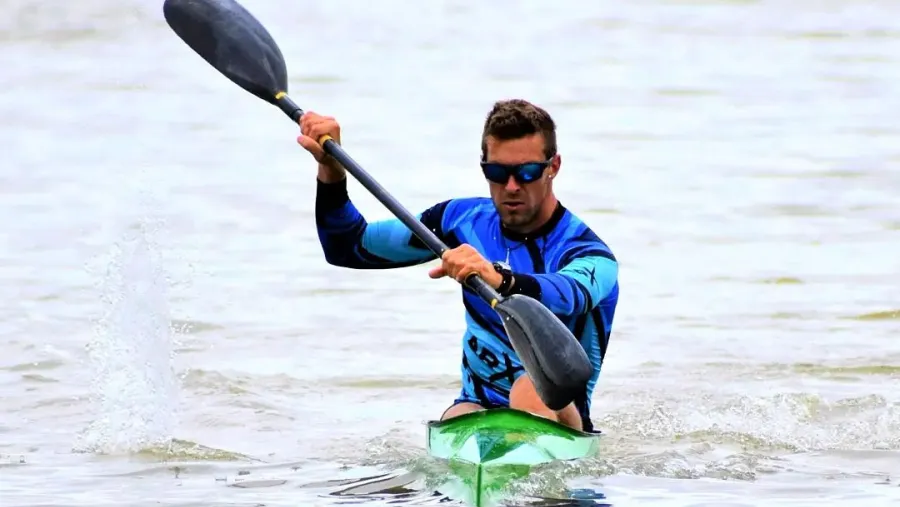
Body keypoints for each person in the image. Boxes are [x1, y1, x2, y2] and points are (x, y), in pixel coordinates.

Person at [297, 99, 618, 432]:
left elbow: (569, 293)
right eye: (497, 172)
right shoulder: (459, 221)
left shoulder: (589, 254)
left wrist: (501, 279)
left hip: (559, 412)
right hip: (475, 405)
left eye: (526, 172)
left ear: (553, 166)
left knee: (529, 390)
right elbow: (348, 247)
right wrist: (331, 173)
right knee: (455, 420)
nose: (510, 187)